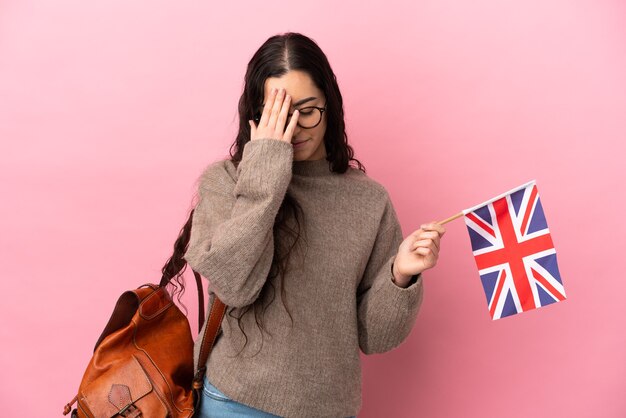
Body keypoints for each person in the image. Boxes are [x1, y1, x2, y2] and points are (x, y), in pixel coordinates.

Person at [182, 32, 446, 418]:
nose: (295, 128)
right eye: (278, 114)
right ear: (255, 116)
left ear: (330, 104)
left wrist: (400, 275)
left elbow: (374, 337)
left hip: (329, 408)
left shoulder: (368, 200)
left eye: (306, 110)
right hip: (235, 402)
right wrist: (268, 166)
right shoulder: (225, 181)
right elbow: (234, 284)